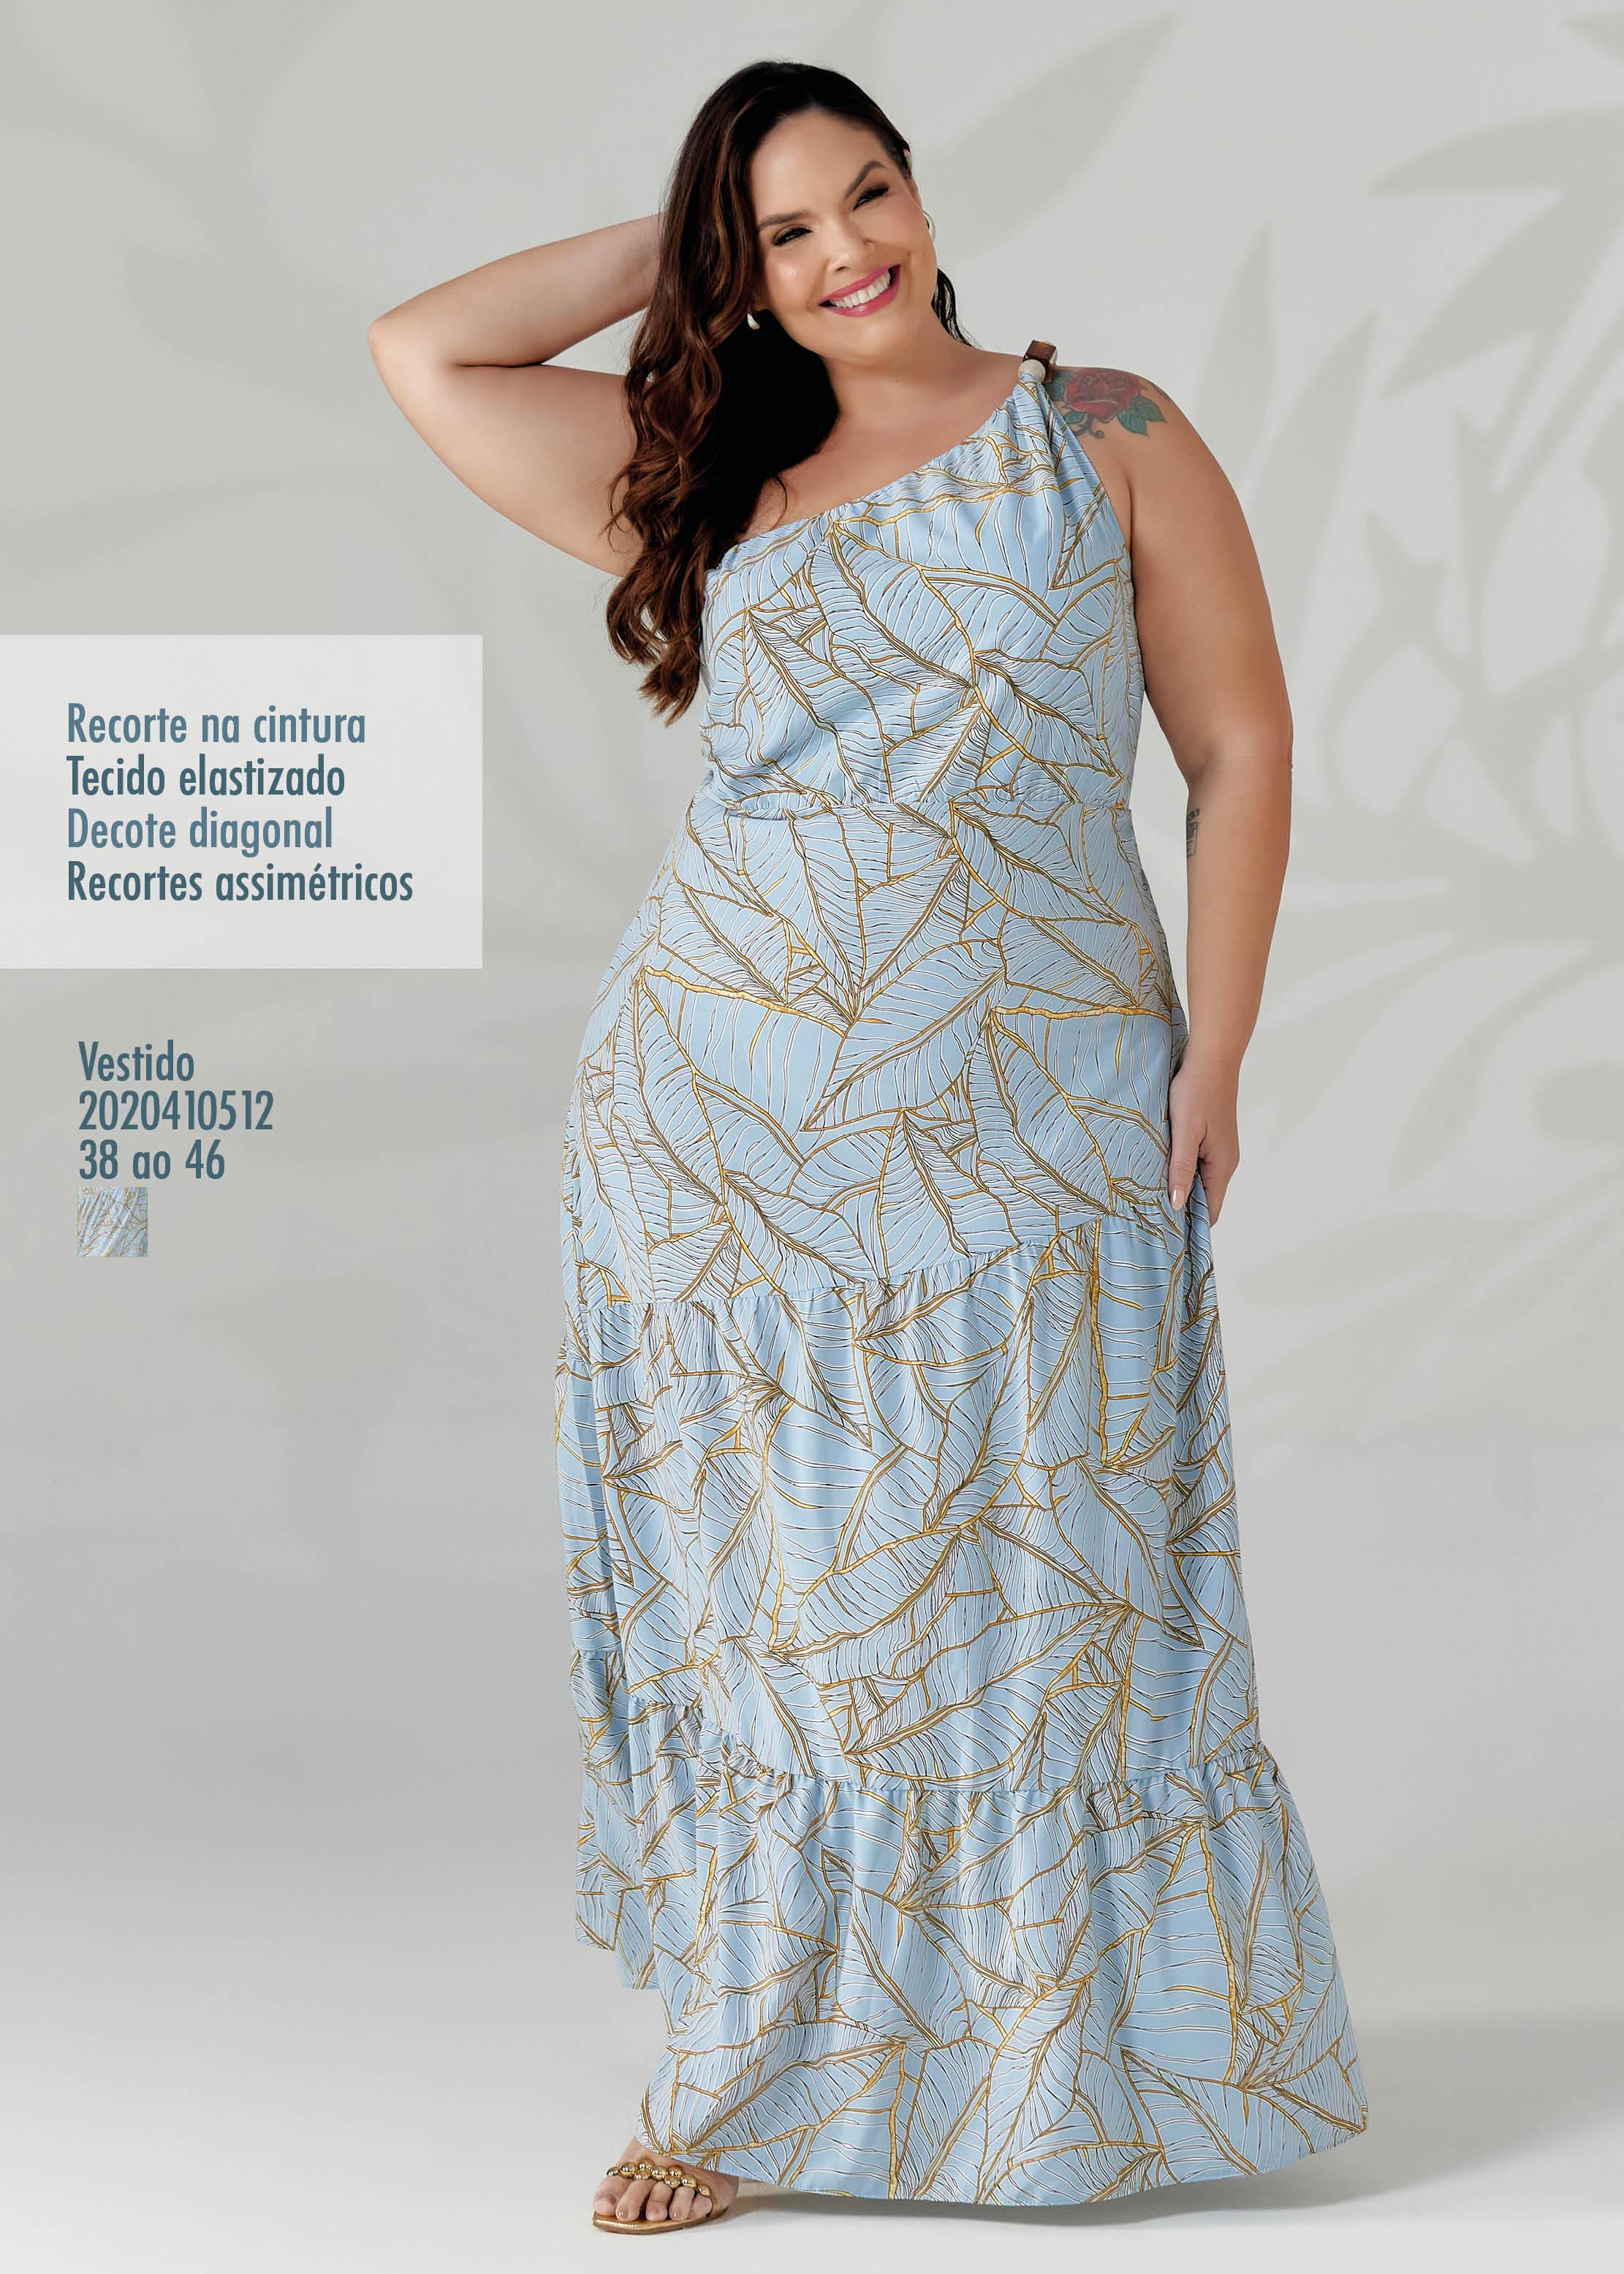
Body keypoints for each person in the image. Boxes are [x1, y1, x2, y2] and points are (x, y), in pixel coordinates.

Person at [368, 56, 1369, 2229]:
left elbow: (1239, 741)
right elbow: (425, 352)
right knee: (794, 1623)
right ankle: (746, 2085)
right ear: (737, 270)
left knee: (1055, 1600)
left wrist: (1216, 1054)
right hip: (731, 1141)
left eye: (871, 194)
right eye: (790, 232)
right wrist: (693, 234)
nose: (850, 252)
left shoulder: (1102, 426)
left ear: (927, 196)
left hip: (1045, 1113)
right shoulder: (716, 477)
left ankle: (1067, 2078)